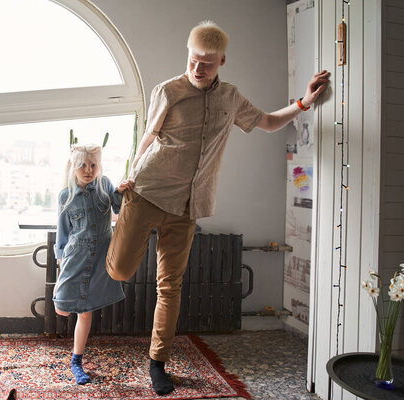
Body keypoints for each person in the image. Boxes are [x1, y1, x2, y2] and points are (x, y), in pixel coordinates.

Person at [106, 20, 330, 395]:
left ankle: (157, 362)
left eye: (207, 63)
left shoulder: (231, 98)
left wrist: (304, 102)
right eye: (194, 60)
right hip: (146, 192)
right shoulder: (169, 90)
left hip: (188, 205)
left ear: (222, 61)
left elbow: (270, 123)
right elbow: (148, 137)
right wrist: (130, 176)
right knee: (120, 272)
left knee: (170, 286)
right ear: (188, 55)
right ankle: (113, 221)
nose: (198, 69)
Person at [54, 143, 134, 385]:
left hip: (100, 258)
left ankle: (76, 362)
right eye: (82, 165)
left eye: (93, 165)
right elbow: (63, 233)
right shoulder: (65, 195)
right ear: (73, 166)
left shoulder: (105, 185)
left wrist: (121, 191)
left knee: (85, 313)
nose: (88, 170)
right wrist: (61, 265)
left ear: (99, 166)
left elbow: (121, 209)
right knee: (61, 307)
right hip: (74, 257)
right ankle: (74, 358)